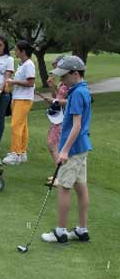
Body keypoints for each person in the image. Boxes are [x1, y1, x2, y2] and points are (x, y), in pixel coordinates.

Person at [41, 56, 92, 244]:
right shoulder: (81, 90)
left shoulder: (77, 94)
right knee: (81, 186)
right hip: (82, 147)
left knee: (63, 187)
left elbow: (76, 126)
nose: (61, 80)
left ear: (75, 73)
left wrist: (64, 151)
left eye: (64, 76)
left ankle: (60, 232)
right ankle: (81, 230)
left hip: (73, 148)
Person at [3, 40, 36, 165]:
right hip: (18, 97)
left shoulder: (29, 65)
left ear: (23, 51)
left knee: (16, 125)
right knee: (22, 126)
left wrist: (13, 82)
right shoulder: (22, 64)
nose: (15, 52)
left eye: (16, 50)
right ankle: (22, 152)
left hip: (24, 99)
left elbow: (31, 82)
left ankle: (15, 153)